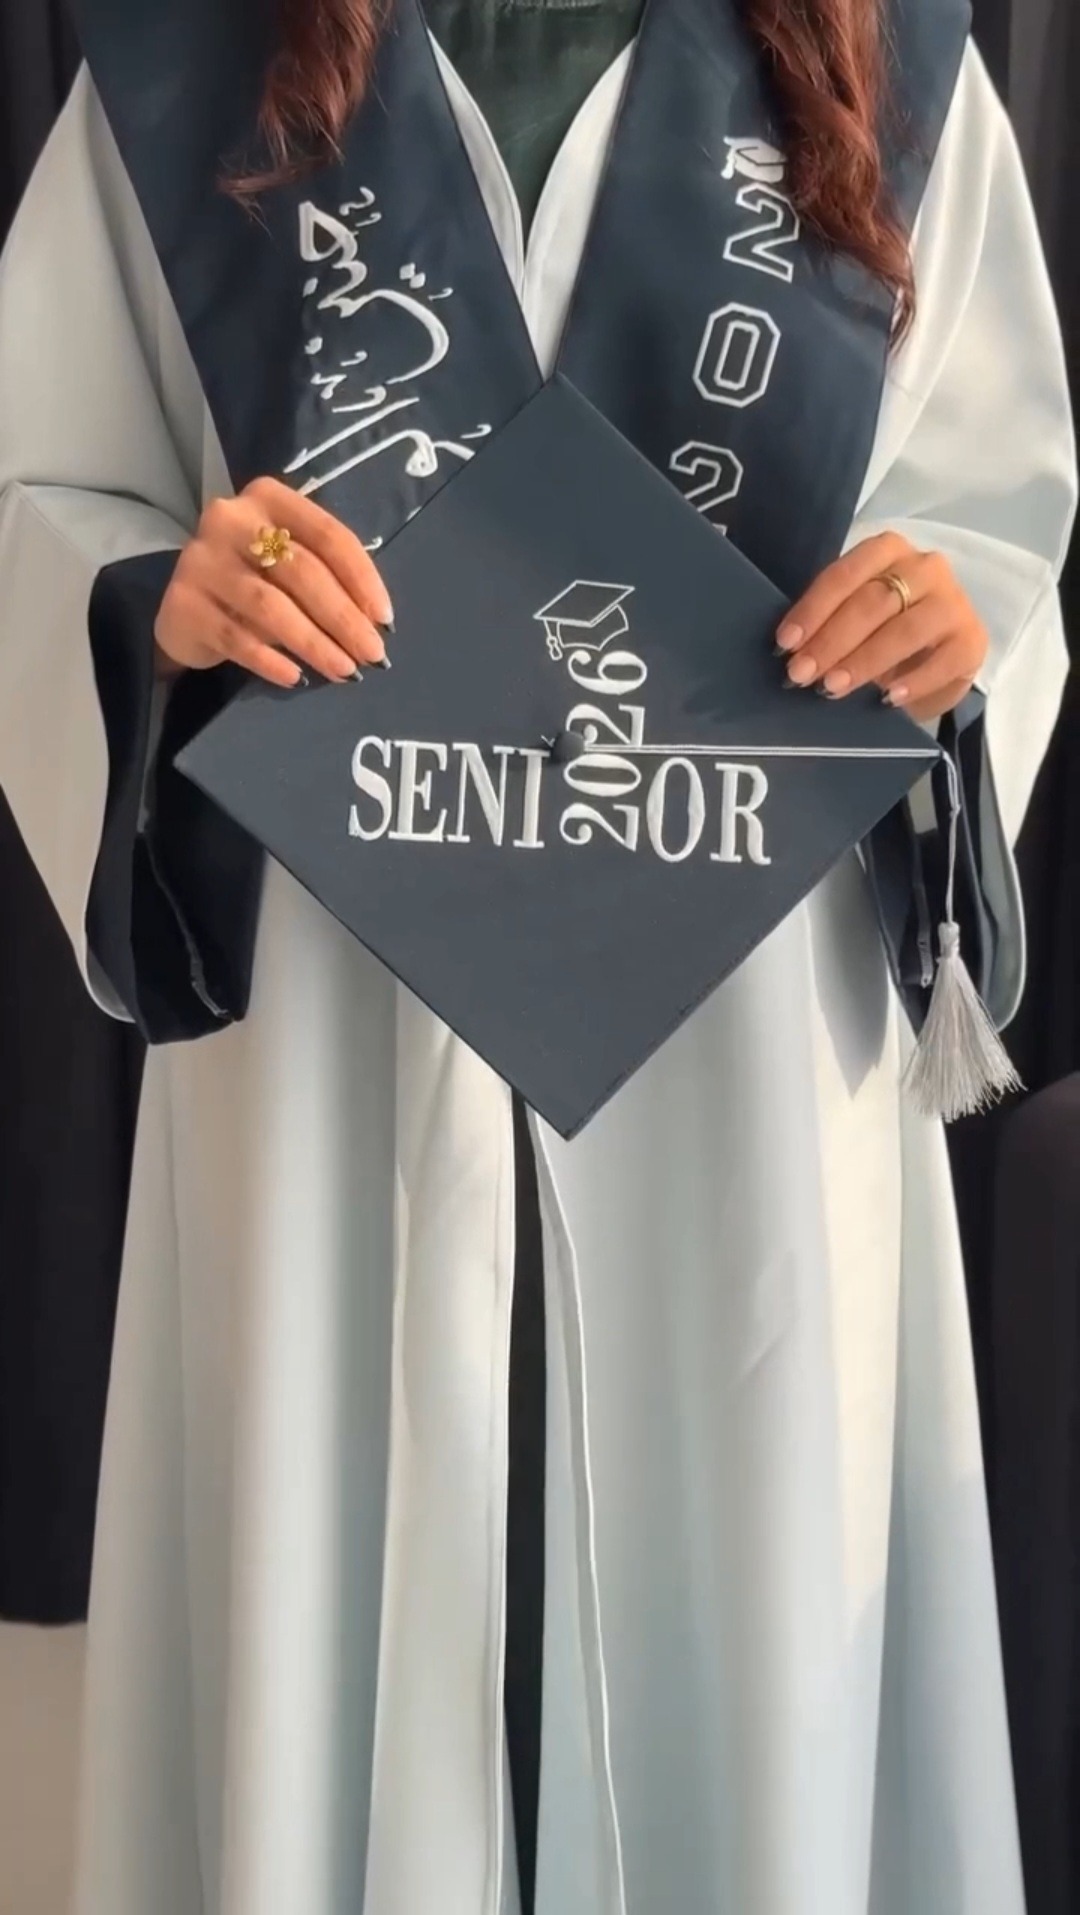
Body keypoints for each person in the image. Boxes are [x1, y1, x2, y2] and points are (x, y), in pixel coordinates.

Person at [0, 0, 1073, 1910]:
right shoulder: (192, 64)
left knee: (746, 1619)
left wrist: (945, 617)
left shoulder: (887, 65)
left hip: (740, 985)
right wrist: (166, 599)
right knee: (335, 1555)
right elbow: (43, 492)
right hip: (340, 971)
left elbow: (993, 517)